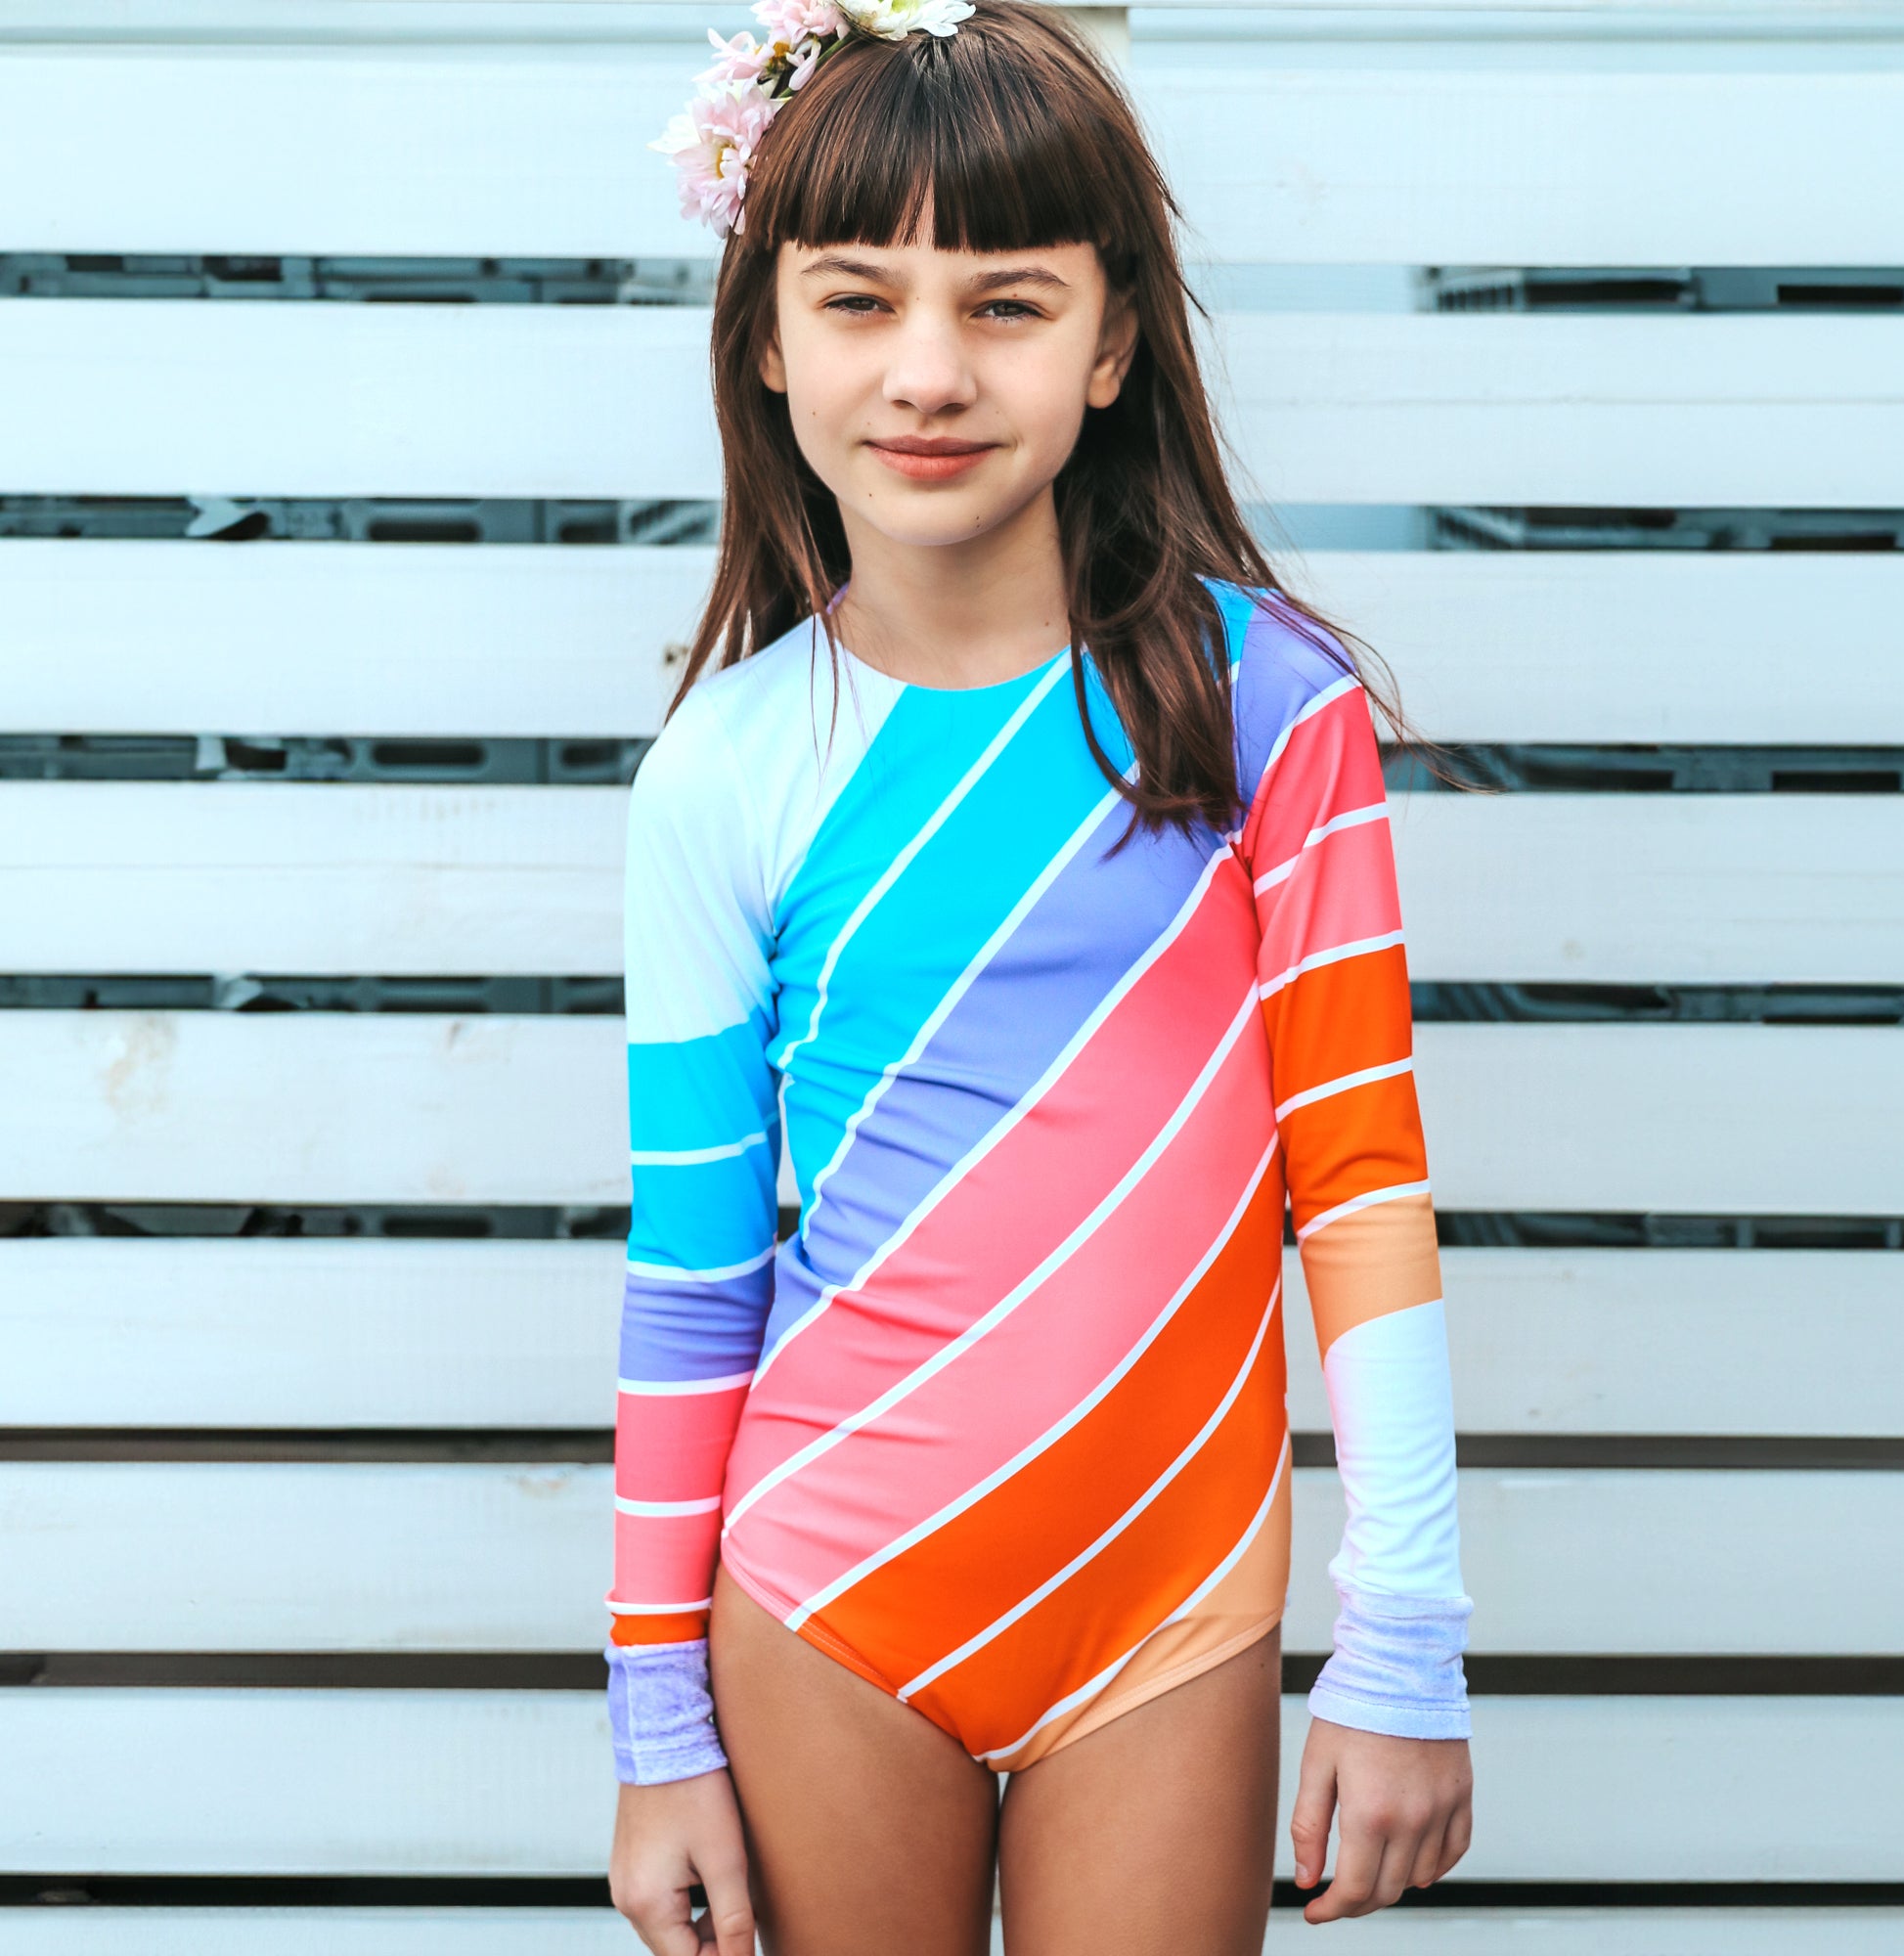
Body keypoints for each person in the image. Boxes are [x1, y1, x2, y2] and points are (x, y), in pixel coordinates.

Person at [603, 4, 1474, 1950]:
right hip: (825, 1593)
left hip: (1170, 1606)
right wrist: (654, 1716)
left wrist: (1403, 1641)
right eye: (856, 299)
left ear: (1113, 342)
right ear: (767, 337)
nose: (928, 370)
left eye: (1006, 304)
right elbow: (692, 1268)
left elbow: (1360, 1188)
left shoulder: (1269, 711)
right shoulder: (722, 770)